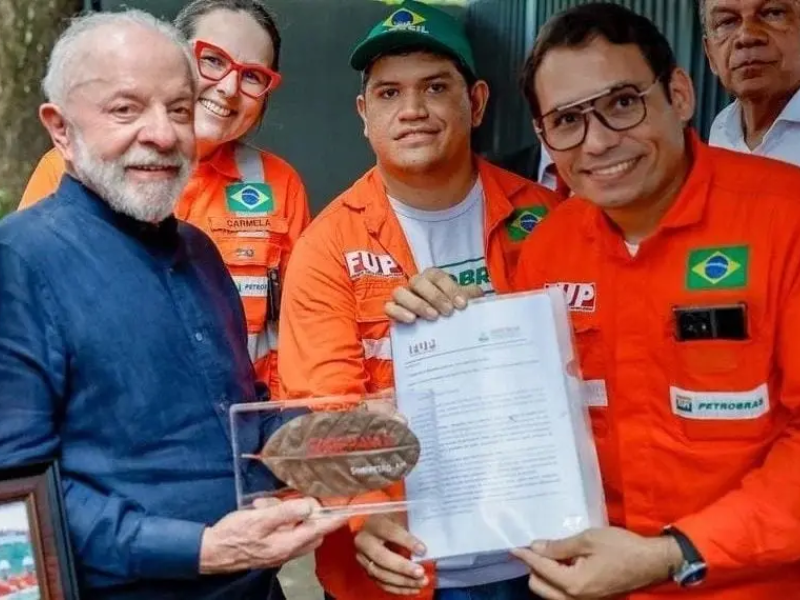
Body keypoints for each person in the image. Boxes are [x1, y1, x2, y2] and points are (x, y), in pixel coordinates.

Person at [383, 3, 800, 599]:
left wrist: (675, 553)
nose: (599, 141)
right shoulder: (548, 249)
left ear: (679, 95)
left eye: (623, 103)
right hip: (583, 583)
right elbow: (520, 420)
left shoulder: (786, 219)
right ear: (543, 136)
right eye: (567, 120)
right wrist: (448, 330)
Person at [0, 11, 343, 599]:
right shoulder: (19, 263)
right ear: (60, 129)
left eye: (179, 110)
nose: (162, 134)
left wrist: (340, 435)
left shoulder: (201, 254)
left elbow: (235, 421)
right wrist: (202, 550)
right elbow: (14, 498)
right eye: (125, 109)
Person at [278, 2, 559, 599]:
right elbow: (321, 405)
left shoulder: (550, 221)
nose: (412, 110)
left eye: (435, 87)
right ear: (364, 114)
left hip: (541, 561)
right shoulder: (327, 247)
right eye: (388, 93)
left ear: (476, 102)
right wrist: (361, 509)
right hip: (396, 572)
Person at [18, 0, 310, 397]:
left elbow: (298, 332)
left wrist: (277, 427)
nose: (229, 88)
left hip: (242, 419)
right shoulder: (72, 167)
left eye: (253, 76)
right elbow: (32, 315)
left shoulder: (277, 183)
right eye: (213, 60)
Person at [702, 0, 800, 164]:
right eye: (727, 21)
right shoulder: (722, 129)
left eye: (773, 13)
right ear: (710, 55)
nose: (747, 36)